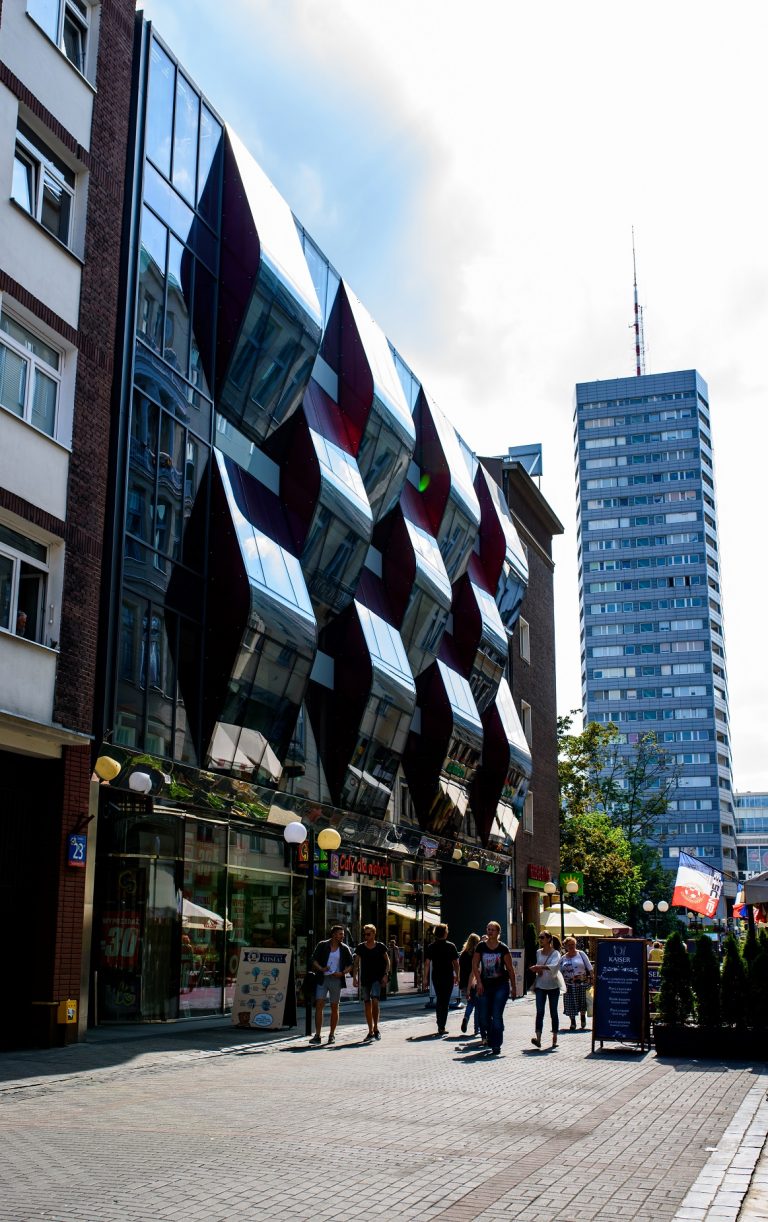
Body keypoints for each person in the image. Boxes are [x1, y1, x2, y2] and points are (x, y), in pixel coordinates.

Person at [472, 922, 517, 1055]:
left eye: (493, 930)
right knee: (483, 1017)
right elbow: (474, 965)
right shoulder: (481, 946)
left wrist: (514, 987)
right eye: (488, 929)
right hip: (485, 986)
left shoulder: (503, 948)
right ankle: (495, 1032)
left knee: (496, 1015)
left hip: (500, 986)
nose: (490, 931)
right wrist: (479, 982)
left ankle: (496, 1045)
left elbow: (510, 969)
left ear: (498, 932)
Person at [309, 924, 353, 1045]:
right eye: (340, 934)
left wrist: (342, 973)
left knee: (334, 1006)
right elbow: (313, 959)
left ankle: (332, 1035)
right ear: (333, 935)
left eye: (343, 934)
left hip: (336, 979)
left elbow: (351, 964)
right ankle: (317, 1035)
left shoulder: (344, 948)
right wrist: (321, 968)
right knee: (319, 1004)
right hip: (322, 978)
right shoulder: (323, 945)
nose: (342, 936)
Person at [353, 924, 390, 1042]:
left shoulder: (380, 946)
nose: (366, 936)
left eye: (368, 934)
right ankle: (370, 1031)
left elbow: (388, 962)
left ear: (374, 934)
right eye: (365, 934)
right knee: (367, 1004)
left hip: (377, 978)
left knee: (375, 1001)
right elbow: (356, 963)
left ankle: (376, 1028)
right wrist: (354, 977)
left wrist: (385, 974)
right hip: (365, 979)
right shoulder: (361, 947)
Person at [423, 924, 459, 1035]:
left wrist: (425, 978)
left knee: (440, 999)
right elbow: (456, 963)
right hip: (448, 976)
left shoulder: (431, 947)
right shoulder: (451, 946)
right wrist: (458, 975)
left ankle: (440, 1024)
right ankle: (442, 1025)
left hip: (436, 976)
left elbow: (427, 964)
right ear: (445, 933)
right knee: (445, 1000)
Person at [530, 930, 563, 1049]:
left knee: (553, 1011)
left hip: (553, 986)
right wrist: (538, 970)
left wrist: (540, 967)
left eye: (542, 937)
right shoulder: (538, 952)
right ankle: (538, 1038)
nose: (540, 939)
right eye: (539, 937)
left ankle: (554, 1036)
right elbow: (539, 967)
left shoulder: (555, 953)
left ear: (549, 939)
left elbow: (554, 966)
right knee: (540, 1012)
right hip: (540, 985)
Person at [561, 936, 593, 1030]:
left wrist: (592, 978)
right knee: (570, 1003)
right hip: (569, 984)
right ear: (565, 946)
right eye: (569, 945)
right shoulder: (563, 958)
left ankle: (582, 1017)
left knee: (582, 1002)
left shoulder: (581, 954)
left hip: (582, 983)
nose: (571, 946)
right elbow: (559, 971)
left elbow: (589, 967)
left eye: (573, 944)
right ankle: (573, 1022)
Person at [458, 933, 481, 1035]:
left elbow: (460, 968)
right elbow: (473, 971)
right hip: (473, 982)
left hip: (464, 981)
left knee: (471, 1002)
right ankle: (477, 1028)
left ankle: (466, 1017)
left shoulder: (463, 954)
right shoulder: (475, 954)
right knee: (478, 1005)